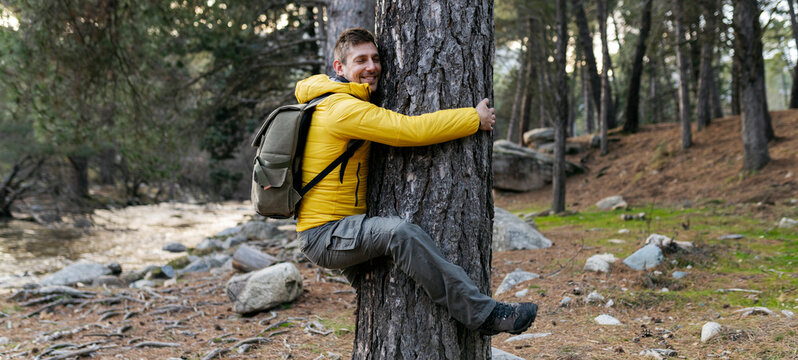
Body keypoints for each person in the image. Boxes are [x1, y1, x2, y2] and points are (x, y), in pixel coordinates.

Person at [295, 27, 537, 335]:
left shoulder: (330, 99)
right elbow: (408, 131)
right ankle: (484, 315)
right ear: (339, 67)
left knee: (377, 296)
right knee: (401, 234)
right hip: (327, 233)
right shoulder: (342, 109)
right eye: (361, 60)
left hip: (342, 227)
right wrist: (472, 119)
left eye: (375, 58)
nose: (372, 67)